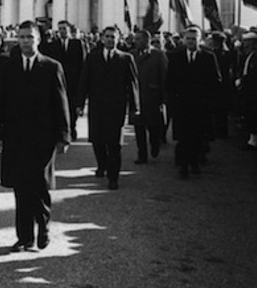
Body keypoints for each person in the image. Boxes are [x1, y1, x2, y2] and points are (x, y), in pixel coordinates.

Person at [0, 21, 70, 252]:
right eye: (22, 36)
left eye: (30, 37)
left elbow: (61, 103)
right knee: (20, 187)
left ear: (39, 39)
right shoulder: (8, 67)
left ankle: (43, 227)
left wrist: (63, 136)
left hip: (42, 138)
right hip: (16, 138)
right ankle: (24, 237)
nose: (26, 41)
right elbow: (0, 104)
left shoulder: (51, 67)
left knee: (39, 185)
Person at [76, 25, 140, 190]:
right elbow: (84, 81)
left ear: (119, 39)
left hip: (116, 107)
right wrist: (79, 104)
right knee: (97, 140)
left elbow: (132, 84)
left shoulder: (125, 59)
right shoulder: (92, 57)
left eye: (114, 37)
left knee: (114, 143)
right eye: (108, 36)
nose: (111, 39)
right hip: (97, 106)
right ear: (102, 38)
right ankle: (102, 164)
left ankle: (113, 177)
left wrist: (135, 107)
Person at [165, 26, 222, 179]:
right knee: (183, 137)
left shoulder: (208, 57)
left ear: (200, 40)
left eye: (194, 39)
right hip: (182, 105)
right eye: (188, 39)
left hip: (200, 105)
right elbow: (169, 81)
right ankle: (183, 166)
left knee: (198, 136)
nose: (191, 42)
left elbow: (216, 81)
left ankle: (195, 162)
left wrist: (210, 101)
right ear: (184, 40)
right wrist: (172, 101)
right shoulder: (175, 57)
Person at [131, 30, 168, 164]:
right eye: (135, 39)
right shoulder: (132, 55)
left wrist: (164, 99)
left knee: (153, 127)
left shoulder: (158, 55)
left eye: (139, 39)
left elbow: (164, 77)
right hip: (136, 97)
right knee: (138, 128)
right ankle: (142, 154)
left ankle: (155, 144)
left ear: (147, 40)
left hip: (152, 96)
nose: (136, 42)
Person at [46, 21, 85, 140]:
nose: (62, 31)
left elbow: (83, 64)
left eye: (64, 28)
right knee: (60, 106)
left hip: (73, 82)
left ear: (69, 30)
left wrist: (82, 82)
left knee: (72, 108)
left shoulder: (77, 44)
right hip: (59, 81)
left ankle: (72, 128)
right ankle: (63, 130)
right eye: (60, 29)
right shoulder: (53, 45)